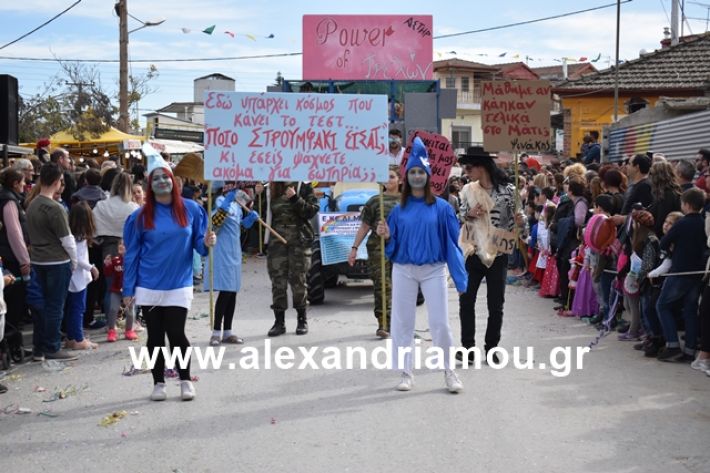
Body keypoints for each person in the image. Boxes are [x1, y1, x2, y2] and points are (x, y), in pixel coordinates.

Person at [123, 149, 216, 401]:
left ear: (174, 181)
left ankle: (185, 379)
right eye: (156, 179)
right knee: (154, 336)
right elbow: (132, 254)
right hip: (148, 283)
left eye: (166, 177)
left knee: (176, 332)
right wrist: (128, 289)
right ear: (149, 185)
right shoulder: (138, 217)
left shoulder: (192, 210)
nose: (162, 181)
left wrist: (207, 242)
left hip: (179, 282)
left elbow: (199, 245)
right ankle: (158, 383)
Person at [376, 137, 467, 393]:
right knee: (402, 323)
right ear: (407, 176)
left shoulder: (442, 208)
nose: (417, 176)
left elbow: (452, 245)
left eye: (421, 172)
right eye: (413, 172)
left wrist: (460, 279)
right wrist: (386, 235)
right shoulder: (397, 210)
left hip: (433, 270)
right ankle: (406, 372)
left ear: (428, 175)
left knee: (440, 323)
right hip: (404, 269)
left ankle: (449, 371)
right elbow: (391, 247)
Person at [457, 146, 525, 364]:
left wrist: (520, 219)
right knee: (466, 301)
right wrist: (468, 213)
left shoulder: (509, 191)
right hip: (474, 251)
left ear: (481, 167)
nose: (466, 171)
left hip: (498, 252)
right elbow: (460, 215)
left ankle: (492, 348)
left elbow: (519, 219)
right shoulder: (468, 190)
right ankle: (467, 347)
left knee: (496, 305)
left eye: (469, 167)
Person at [26, 163, 78, 361]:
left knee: (42, 306)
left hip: (38, 260)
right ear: (57, 182)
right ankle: (52, 346)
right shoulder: (55, 208)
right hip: (57, 260)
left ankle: (40, 347)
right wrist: (74, 262)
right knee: (55, 306)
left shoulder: (32, 205)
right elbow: (67, 239)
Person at [348, 166, 401, 338]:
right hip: (378, 249)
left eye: (392, 176)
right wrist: (354, 248)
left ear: (400, 180)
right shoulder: (374, 201)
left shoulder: (408, 201)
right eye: (386, 176)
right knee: (382, 285)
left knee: (401, 287)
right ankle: (383, 324)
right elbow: (364, 226)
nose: (389, 179)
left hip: (401, 249)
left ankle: (399, 322)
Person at [655, 188, 706, 362]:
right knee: (690, 310)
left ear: (687, 204)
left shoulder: (682, 223)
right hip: (698, 273)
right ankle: (690, 350)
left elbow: (664, 243)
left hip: (680, 271)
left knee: (662, 305)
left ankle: (672, 344)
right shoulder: (704, 222)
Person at [264, 181, 319, 337]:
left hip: (299, 242)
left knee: (298, 281)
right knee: (278, 282)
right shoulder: (271, 188)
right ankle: (279, 322)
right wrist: (258, 195)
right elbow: (262, 215)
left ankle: (302, 320)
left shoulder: (304, 186)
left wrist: (295, 198)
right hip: (277, 242)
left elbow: (312, 211)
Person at [205, 187, 259, 346]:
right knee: (226, 292)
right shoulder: (219, 203)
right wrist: (224, 205)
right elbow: (215, 224)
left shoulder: (237, 206)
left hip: (235, 253)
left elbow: (238, 228)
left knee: (232, 292)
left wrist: (248, 221)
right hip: (222, 253)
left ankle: (228, 331)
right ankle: (216, 333)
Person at [65, 202, 100, 350]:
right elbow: (78, 258)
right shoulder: (79, 238)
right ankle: (78, 338)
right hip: (78, 278)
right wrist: (91, 267)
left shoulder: (72, 235)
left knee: (72, 308)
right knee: (78, 308)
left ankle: (72, 337)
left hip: (73, 277)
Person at [0, 169, 31, 331]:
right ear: (15, 183)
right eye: (23, 182)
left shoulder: (9, 198)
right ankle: (11, 342)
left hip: (10, 255)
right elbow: (14, 233)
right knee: (15, 301)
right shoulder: (9, 201)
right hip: (12, 257)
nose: (25, 185)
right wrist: (24, 259)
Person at [104, 239, 136, 342]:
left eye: (124, 244)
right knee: (113, 309)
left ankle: (129, 330)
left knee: (129, 311)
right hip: (116, 289)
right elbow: (108, 274)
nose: (121, 246)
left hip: (129, 290)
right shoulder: (115, 260)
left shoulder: (132, 260)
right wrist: (107, 265)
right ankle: (112, 331)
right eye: (120, 244)